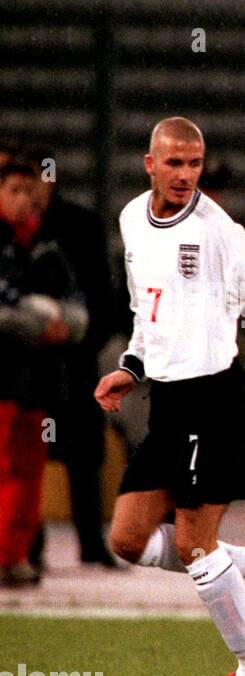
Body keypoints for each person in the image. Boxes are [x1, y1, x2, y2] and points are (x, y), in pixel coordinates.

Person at [94, 117, 245, 676]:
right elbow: (149, 312)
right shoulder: (132, 220)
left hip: (216, 400)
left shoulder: (223, 235)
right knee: (128, 540)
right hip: (167, 402)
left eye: (195, 165)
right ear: (151, 165)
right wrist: (130, 368)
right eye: (175, 164)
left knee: (193, 543)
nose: (186, 175)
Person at [27, 154, 120, 569]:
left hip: (76, 359)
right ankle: (27, 545)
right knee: (25, 454)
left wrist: (81, 338)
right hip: (25, 364)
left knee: (85, 453)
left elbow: (102, 294)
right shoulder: (13, 230)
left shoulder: (80, 225)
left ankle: (91, 542)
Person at [0, 156, 88, 587]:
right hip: (3, 374)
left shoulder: (47, 246)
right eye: (13, 191)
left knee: (29, 471)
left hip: (35, 380)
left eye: (28, 192)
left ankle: (14, 555)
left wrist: (64, 326)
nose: (23, 201)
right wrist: (38, 325)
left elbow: (78, 308)